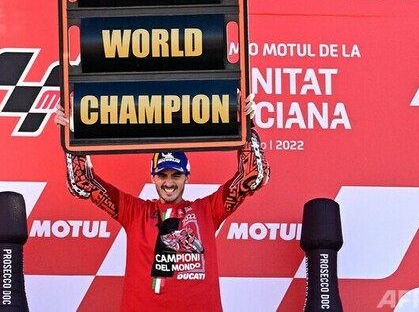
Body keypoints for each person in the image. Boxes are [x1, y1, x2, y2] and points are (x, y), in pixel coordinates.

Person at [56, 102, 268, 312]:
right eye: (162, 175)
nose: (169, 182)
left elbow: (252, 176)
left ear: (187, 177)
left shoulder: (208, 210)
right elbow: (82, 182)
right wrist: (72, 131)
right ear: (152, 178)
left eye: (176, 175)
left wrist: (247, 125)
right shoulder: (134, 212)